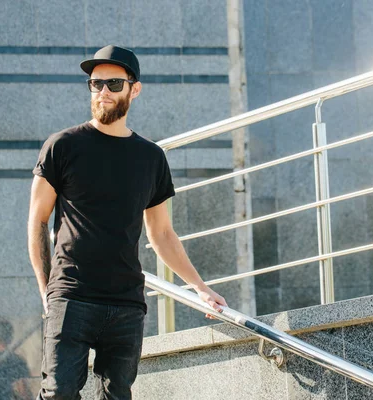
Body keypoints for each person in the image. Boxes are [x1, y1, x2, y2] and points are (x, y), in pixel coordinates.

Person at [27, 45, 227, 400]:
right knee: (57, 392)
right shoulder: (62, 146)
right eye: (95, 83)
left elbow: (162, 233)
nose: (103, 91)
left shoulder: (150, 158)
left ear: (134, 89)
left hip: (125, 304)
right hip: (71, 296)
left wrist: (199, 286)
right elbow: (38, 222)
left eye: (113, 84)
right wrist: (47, 291)